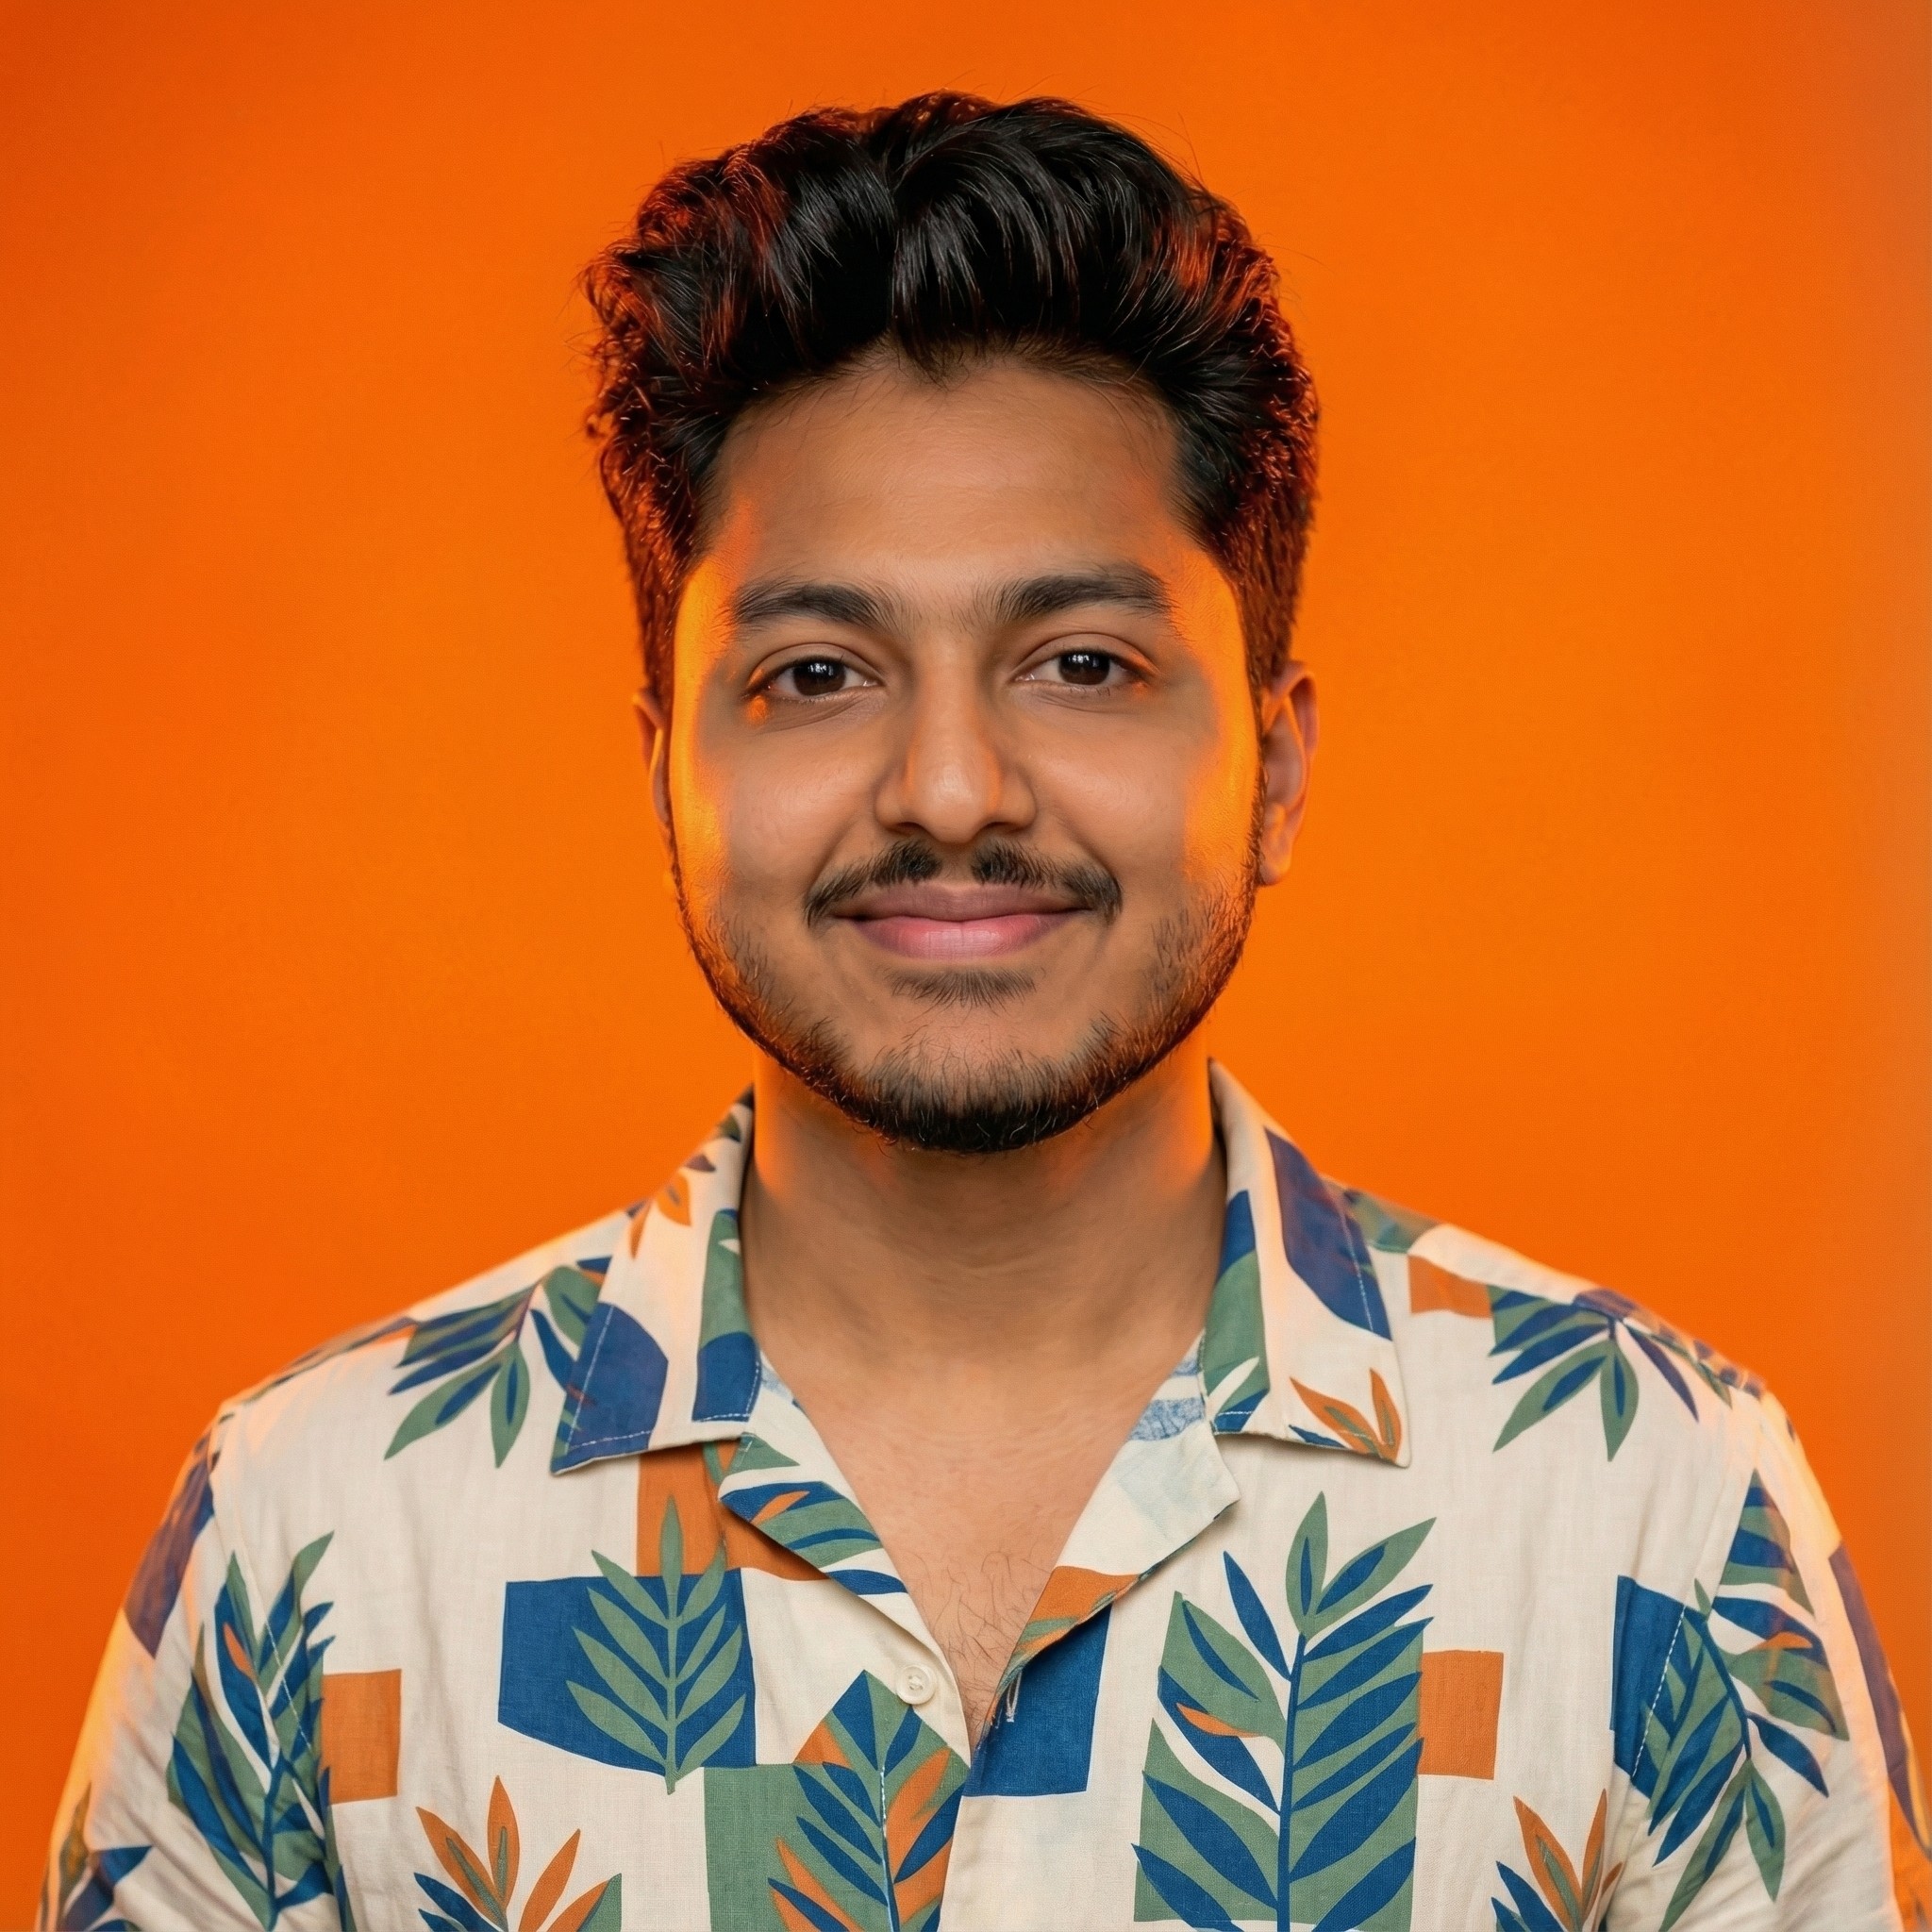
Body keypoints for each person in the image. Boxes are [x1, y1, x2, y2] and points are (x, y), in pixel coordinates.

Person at [41, 92, 1929, 1932]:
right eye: (816, 671)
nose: (951, 786)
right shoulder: (315, 1548)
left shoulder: (1657, 1518)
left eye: (1084, 662)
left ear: (1272, 770)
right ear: (662, 775)